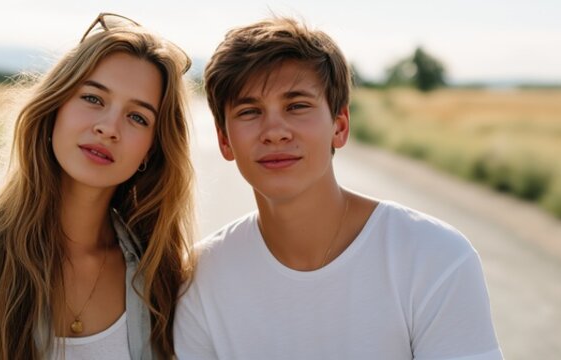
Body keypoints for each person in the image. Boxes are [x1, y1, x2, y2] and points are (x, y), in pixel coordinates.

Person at [173, 17, 502, 359]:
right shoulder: (200, 279)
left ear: (340, 126)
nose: (274, 131)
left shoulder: (434, 257)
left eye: (296, 106)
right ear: (224, 140)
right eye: (249, 111)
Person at [0, 12, 195, 360]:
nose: (109, 128)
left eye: (137, 117)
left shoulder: (159, 272)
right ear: (54, 108)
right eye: (93, 98)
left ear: (151, 150)